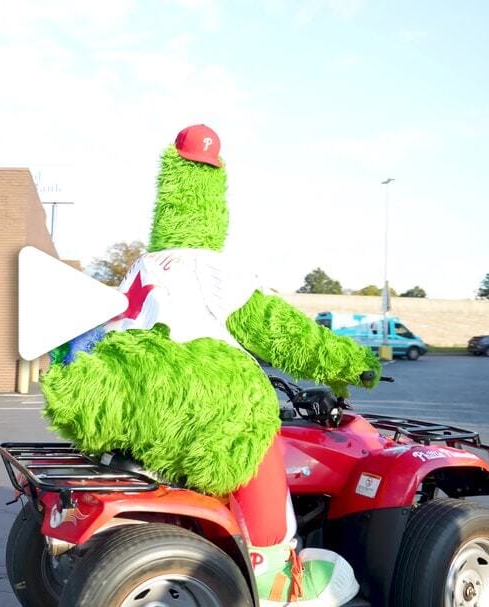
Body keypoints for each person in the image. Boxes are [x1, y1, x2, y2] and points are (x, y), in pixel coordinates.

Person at [42, 125, 378, 606]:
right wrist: (351, 362)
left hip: (132, 396)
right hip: (200, 400)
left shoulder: (144, 265)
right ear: (216, 201)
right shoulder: (216, 267)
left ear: (169, 195)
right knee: (254, 438)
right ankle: (277, 575)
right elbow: (281, 331)